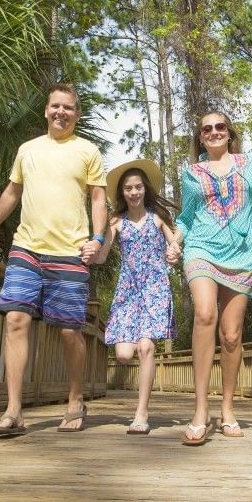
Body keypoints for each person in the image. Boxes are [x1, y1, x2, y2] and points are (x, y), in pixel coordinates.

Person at [0, 83, 107, 437]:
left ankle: (75, 399)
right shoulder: (27, 150)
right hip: (26, 248)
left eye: (68, 108)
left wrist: (96, 239)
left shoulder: (88, 151)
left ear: (76, 114)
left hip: (70, 250)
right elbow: (12, 191)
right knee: (15, 319)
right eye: (55, 106)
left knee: (68, 330)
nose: (60, 112)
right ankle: (14, 411)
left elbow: (97, 198)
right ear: (46, 110)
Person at [166, 112, 252, 445]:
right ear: (200, 138)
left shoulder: (250, 165)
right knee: (204, 313)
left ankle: (227, 409)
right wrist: (175, 241)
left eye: (220, 127)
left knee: (231, 335)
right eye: (206, 129)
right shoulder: (191, 173)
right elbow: (185, 217)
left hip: (242, 253)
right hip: (201, 248)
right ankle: (200, 410)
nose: (214, 132)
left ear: (229, 132)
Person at [92, 159, 176, 435]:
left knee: (146, 348)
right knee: (125, 354)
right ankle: (140, 407)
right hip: (128, 290)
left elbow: (175, 243)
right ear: (122, 192)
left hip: (155, 286)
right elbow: (103, 254)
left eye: (138, 186)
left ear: (145, 188)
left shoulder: (157, 216)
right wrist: (91, 250)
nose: (134, 192)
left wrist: (174, 252)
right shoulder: (117, 221)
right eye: (128, 188)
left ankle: (141, 413)